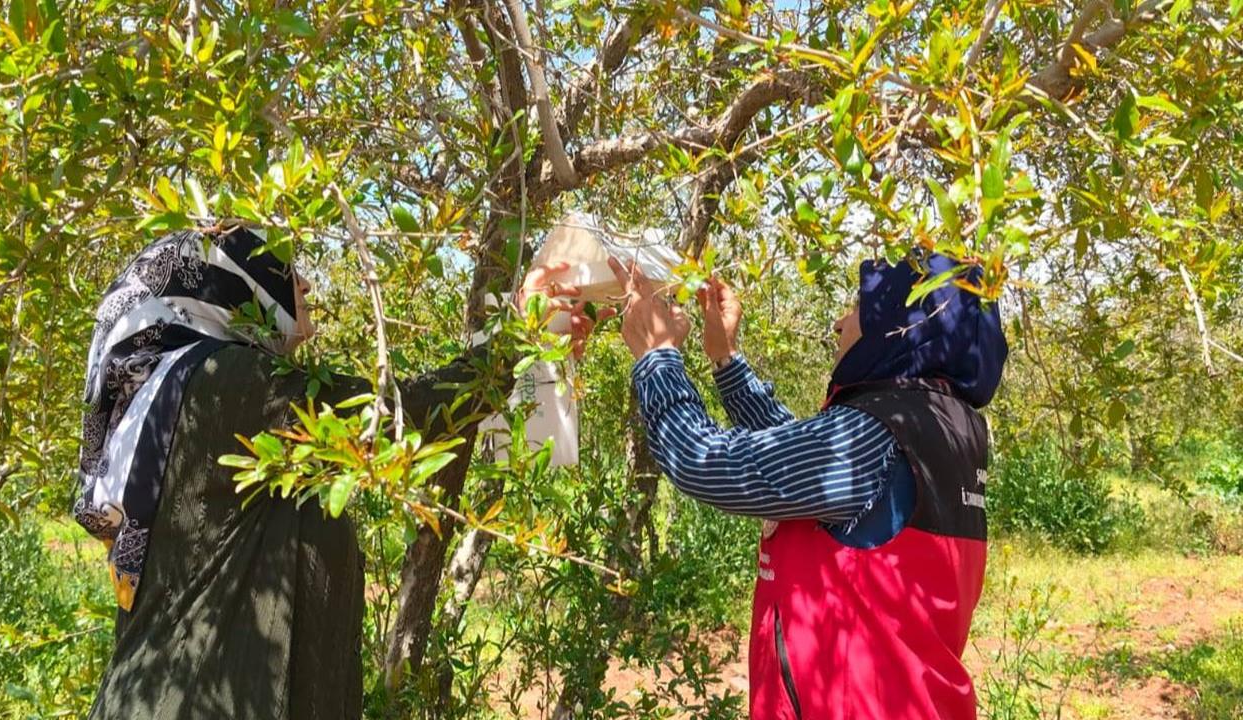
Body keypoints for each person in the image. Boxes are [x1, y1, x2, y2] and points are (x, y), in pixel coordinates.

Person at [75, 224, 602, 719]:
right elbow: (402, 418)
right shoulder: (223, 381)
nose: (303, 283)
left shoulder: (180, 391)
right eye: (282, 270)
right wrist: (518, 331)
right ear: (233, 284)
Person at [610, 252, 1008, 720]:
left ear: (905, 324)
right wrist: (725, 360)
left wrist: (657, 356)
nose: (840, 324)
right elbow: (805, 472)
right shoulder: (940, 423)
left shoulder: (876, 432)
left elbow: (707, 464)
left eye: (859, 308)